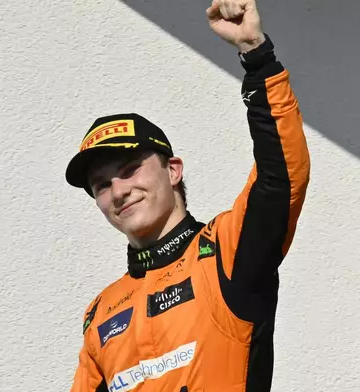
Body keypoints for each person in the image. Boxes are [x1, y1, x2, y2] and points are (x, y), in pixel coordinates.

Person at [63, 0, 311, 391]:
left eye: (129, 170)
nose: (119, 191)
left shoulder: (226, 251)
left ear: (173, 171)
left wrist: (257, 57)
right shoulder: (100, 313)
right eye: (102, 185)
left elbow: (281, 176)